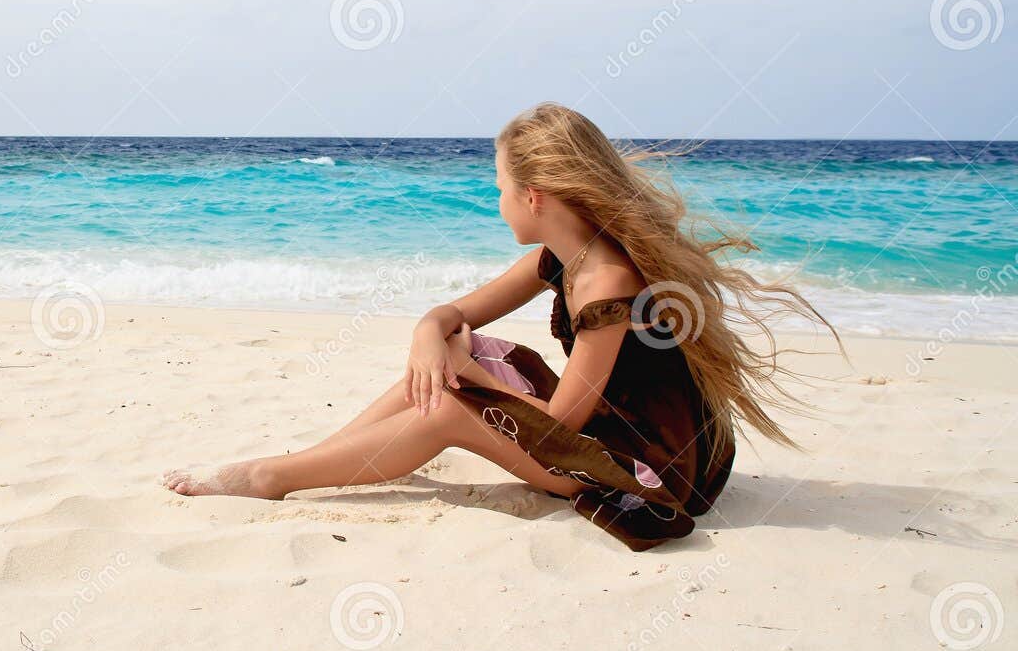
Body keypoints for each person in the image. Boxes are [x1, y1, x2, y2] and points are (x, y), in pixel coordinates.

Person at [161, 102, 844, 550]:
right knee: (461, 355)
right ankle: (318, 460)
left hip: (647, 471)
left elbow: (562, 426)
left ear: (534, 195)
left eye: (498, 188)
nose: (496, 203)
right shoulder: (562, 253)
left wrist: (465, 375)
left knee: (449, 404)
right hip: (606, 429)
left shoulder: (606, 279)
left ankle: (271, 476)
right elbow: (452, 315)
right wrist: (433, 337)